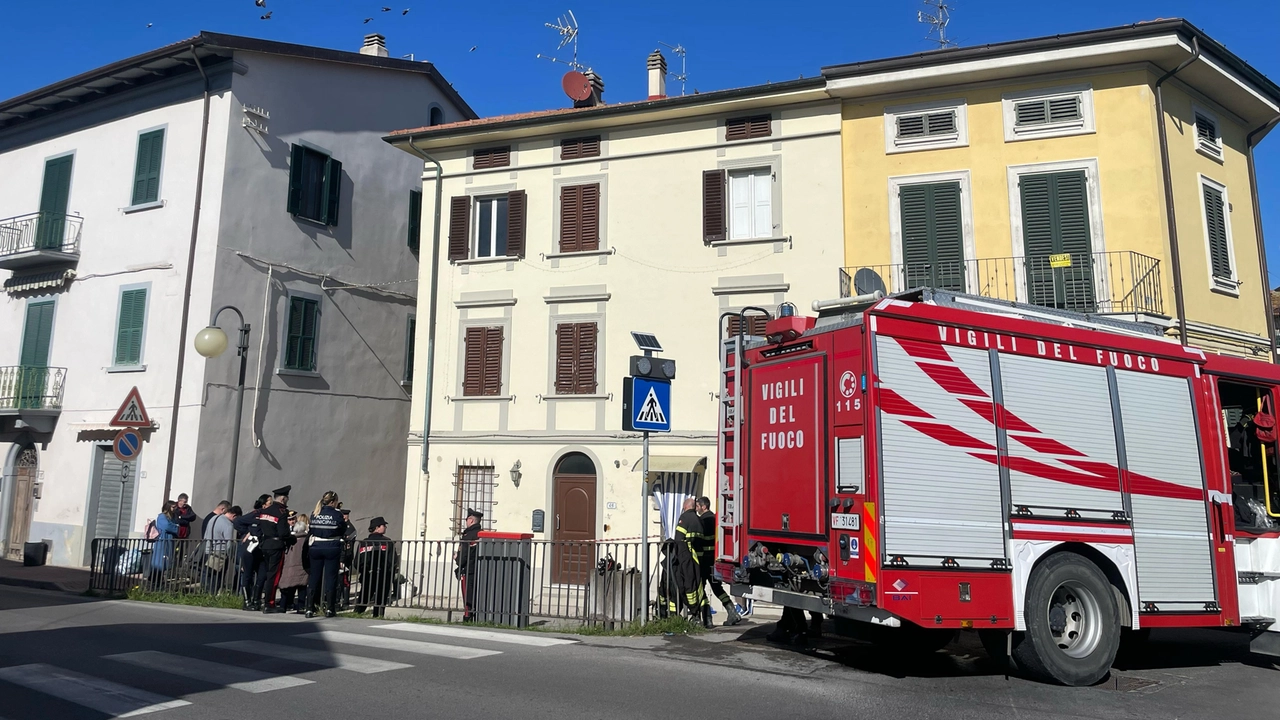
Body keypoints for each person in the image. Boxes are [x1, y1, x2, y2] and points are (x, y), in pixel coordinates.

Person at [695, 496, 742, 627]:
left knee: (700, 588)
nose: (697, 508)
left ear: (704, 506)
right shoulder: (715, 519)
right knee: (716, 587)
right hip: (714, 560)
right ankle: (732, 611)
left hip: (704, 560)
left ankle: (707, 618)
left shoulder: (701, 521)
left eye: (698, 506)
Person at [253, 485, 294, 613]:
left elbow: (259, 528)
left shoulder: (264, 511)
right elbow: (283, 533)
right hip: (276, 546)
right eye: (287, 498)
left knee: (266, 574)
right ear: (283, 499)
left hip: (265, 544)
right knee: (274, 575)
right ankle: (269, 603)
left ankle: (258, 600)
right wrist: (291, 539)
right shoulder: (281, 512)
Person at [307, 491, 345, 618]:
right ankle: (330, 608)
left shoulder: (315, 513)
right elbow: (342, 529)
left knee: (314, 578)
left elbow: (311, 529)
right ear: (333, 502)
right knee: (331, 578)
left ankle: (309, 608)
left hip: (315, 547)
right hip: (331, 547)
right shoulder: (337, 514)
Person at [353, 517, 400, 618]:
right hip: (383, 576)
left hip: (367, 575)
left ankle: (356, 615)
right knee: (380, 601)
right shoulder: (388, 542)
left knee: (363, 598)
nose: (386, 527)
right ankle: (377, 617)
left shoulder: (363, 543)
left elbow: (357, 562)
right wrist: (390, 575)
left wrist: (363, 571)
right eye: (384, 525)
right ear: (377, 528)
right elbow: (393, 561)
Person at [675, 497, 710, 626]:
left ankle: (694, 615)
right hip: (698, 559)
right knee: (699, 587)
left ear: (685, 507)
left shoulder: (684, 518)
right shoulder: (699, 520)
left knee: (687, 587)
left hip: (686, 559)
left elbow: (678, 540)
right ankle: (706, 618)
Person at [234, 494, 270, 609]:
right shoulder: (256, 514)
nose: (271, 505)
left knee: (262, 575)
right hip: (250, 547)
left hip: (262, 548)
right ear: (264, 505)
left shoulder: (270, 515)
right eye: (270, 503)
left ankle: (256, 600)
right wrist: (247, 532)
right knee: (248, 575)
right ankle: (247, 601)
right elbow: (237, 522)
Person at [202, 503, 239, 593]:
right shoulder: (228, 524)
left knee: (208, 576)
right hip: (221, 553)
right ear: (234, 515)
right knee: (218, 577)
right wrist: (230, 556)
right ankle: (214, 595)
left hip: (208, 550)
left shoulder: (213, 518)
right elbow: (229, 542)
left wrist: (207, 550)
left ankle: (206, 593)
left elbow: (206, 535)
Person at [277, 511, 310, 614]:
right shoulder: (306, 539)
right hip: (302, 566)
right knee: (302, 587)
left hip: (289, 566)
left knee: (288, 588)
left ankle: (283, 605)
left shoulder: (290, 539)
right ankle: (300, 607)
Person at [454, 508, 482, 622]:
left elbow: (464, 554)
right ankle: (475, 615)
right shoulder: (480, 533)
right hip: (479, 568)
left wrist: (457, 560)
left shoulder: (468, 535)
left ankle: (467, 617)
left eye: (466, 519)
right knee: (476, 593)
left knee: (467, 595)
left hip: (468, 569)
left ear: (471, 520)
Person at [149, 500, 180, 587]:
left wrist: (176, 526)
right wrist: (175, 527)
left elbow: (176, 525)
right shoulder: (162, 516)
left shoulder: (172, 517)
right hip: (162, 540)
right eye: (173, 507)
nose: (174, 509)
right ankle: (154, 580)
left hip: (169, 541)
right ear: (168, 507)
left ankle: (159, 580)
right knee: (159, 561)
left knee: (165, 560)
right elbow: (167, 526)